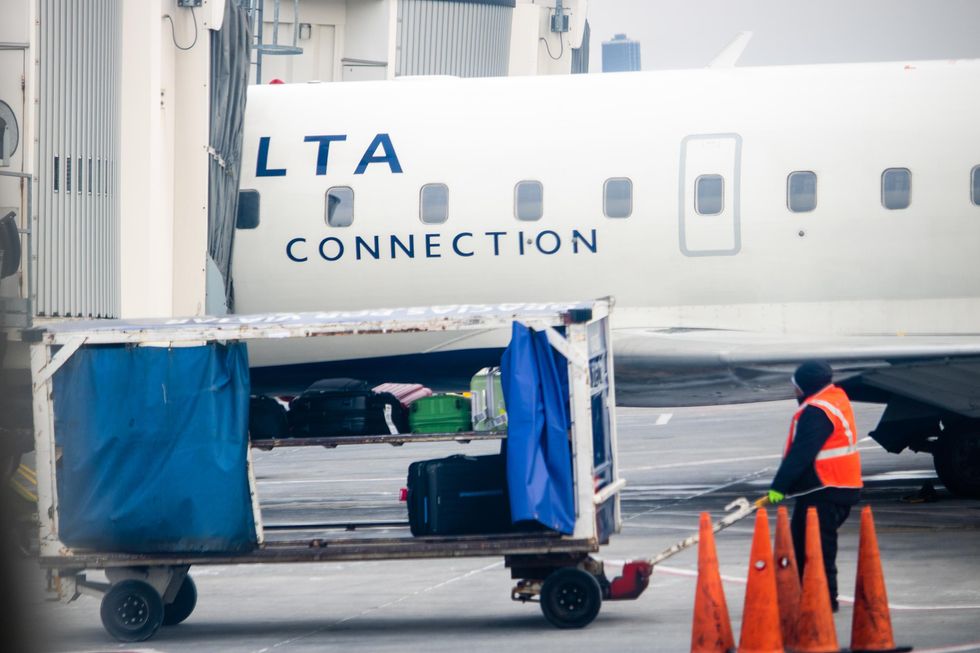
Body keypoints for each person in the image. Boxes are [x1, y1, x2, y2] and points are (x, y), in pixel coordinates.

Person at [767, 360, 862, 612]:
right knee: (805, 545)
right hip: (835, 486)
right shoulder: (835, 397)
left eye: (795, 386)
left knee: (817, 549)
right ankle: (810, 596)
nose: (794, 391)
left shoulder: (817, 411)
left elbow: (802, 452)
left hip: (826, 489)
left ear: (804, 386)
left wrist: (779, 486)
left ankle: (825, 601)